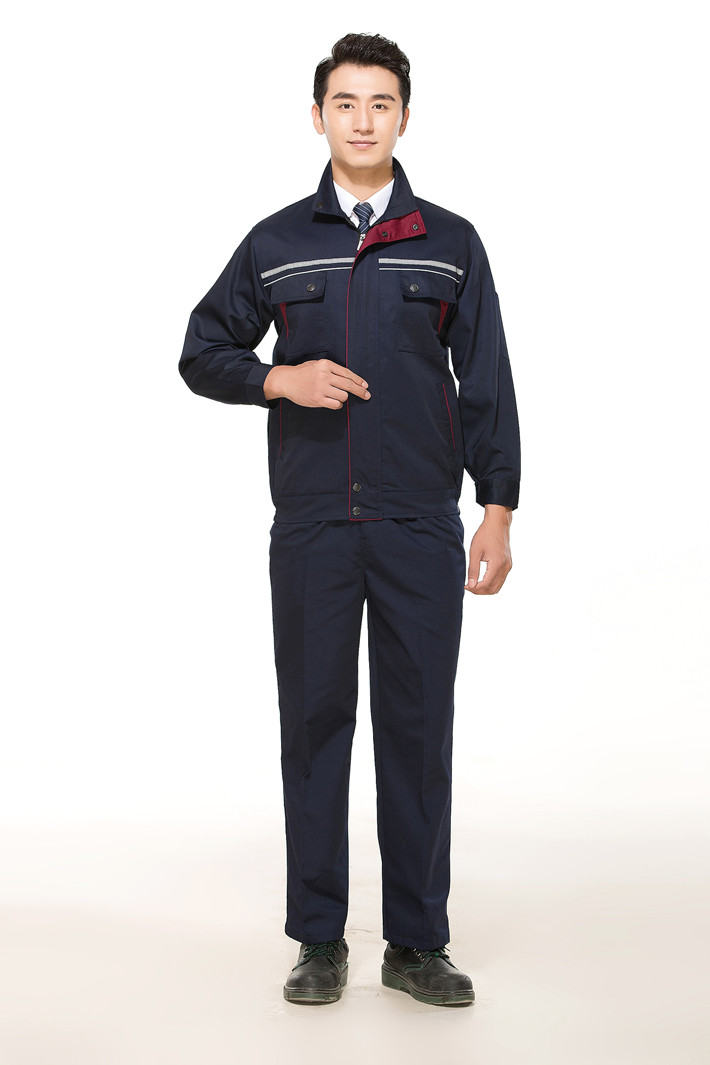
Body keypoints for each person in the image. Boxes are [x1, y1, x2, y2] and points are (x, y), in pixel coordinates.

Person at [178, 32, 520, 1008]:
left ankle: (415, 943)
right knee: (315, 726)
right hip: (314, 526)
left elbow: (486, 381)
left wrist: (496, 506)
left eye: (380, 103)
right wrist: (276, 378)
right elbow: (202, 349)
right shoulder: (278, 242)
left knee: (417, 731)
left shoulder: (449, 242)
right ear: (318, 116)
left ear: (404, 117)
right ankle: (318, 940)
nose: (362, 120)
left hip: (419, 522)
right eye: (345, 102)